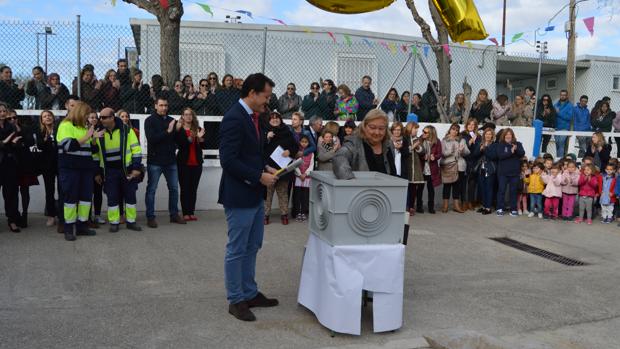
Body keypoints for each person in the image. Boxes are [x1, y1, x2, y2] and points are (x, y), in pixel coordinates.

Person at [218, 73, 279, 322]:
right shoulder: (234, 118)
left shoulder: (254, 117)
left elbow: (251, 153)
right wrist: (257, 176)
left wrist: (265, 168)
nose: (268, 102)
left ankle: (250, 293)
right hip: (240, 194)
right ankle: (236, 299)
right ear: (252, 93)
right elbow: (228, 160)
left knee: (252, 246)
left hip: (254, 193)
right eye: (265, 96)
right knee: (237, 249)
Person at [56, 101, 103, 241]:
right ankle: (68, 228)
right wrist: (88, 136)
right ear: (80, 113)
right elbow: (68, 146)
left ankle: (82, 226)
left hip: (86, 169)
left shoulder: (85, 128)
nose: (88, 117)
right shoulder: (65, 126)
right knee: (70, 199)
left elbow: (92, 150)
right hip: (70, 169)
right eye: (87, 114)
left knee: (86, 199)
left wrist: (93, 139)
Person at [96, 107, 143, 233]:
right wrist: (97, 173)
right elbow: (95, 154)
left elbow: (136, 150)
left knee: (130, 196)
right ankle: (114, 222)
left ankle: (131, 222)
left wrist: (136, 168)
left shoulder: (127, 130)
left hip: (126, 170)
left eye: (104, 117)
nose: (101, 120)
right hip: (109, 172)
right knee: (112, 197)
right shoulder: (99, 132)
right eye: (100, 117)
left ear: (112, 118)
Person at [144, 97, 186, 228]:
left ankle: (174, 215)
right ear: (156, 106)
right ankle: (150, 217)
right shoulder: (149, 120)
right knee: (151, 190)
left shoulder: (171, 120)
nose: (164, 108)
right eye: (161, 105)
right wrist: (168, 131)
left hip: (170, 161)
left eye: (166, 105)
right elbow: (152, 139)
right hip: (155, 161)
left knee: (174, 189)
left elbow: (177, 141)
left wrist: (178, 129)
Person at [332, 109, 396, 179]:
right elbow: (339, 158)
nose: (377, 132)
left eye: (381, 128)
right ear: (364, 126)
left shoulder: (389, 144)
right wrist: (350, 181)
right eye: (372, 127)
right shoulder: (353, 143)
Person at [262, 111, 298, 225]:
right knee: (267, 194)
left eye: (277, 118)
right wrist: (266, 137)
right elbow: (259, 150)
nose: (275, 120)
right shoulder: (264, 132)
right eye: (272, 118)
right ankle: (265, 216)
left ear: (280, 120)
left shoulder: (287, 131)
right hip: (269, 169)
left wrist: (289, 151)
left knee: (283, 194)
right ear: (268, 120)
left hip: (283, 170)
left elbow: (295, 146)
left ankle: (284, 215)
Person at [175, 107, 206, 222]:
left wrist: (201, 139)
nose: (188, 116)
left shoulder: (198, 129)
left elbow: (204, 145)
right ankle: (185, 213)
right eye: (186, 114)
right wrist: (193, 137)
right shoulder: (179, 130)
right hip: (184, 163)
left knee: (193, 188)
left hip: (196, 163)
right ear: (182, 116)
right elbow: (181, 144)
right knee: (185, 188)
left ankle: (191, 212)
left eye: (190, 114)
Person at [0, 103, 21, 232]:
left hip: (10, 163)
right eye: (0, 111)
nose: (2, 113)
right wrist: (5, 142)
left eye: (4, 111)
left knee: (11, 194)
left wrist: (11, 144)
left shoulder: (11, 126)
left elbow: (17, 143)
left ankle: (12, 221)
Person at [495, 128, 525, 216]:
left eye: (510, 134)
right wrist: (510, 152)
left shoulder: (518, 144)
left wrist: (516, 149)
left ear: (512, 136)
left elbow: (522, 153)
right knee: (501, 191)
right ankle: (500, 208)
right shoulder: (500, 145)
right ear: (504, 136)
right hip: (503, 173)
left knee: (513, 191)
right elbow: (500, 156)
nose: (508, 136)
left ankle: (513, 209)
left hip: (515, 173)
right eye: (506, 134)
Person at [440, 123, 469, 213]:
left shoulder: (461, 140)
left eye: (456, 130)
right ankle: (445, 205)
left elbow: (467, 152)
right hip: (448, 165)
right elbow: (443, 153)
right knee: (447, 185)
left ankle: (456, 206)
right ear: (450, 130)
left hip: (459, 165)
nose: (454, 131)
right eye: (453, 129)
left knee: (457, 186)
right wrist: (450, 151)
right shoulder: (444, 140)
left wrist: (463, 149)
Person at [38, 110, 58, 227]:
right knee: (49, 191)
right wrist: (45, 140)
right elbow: (40, 146)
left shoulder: (59, 129)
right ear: (42, 120)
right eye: (45, 116)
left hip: (60, 164)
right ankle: (51, 216)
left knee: (62, 189)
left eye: (49, 115)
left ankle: (62, 215)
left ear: (53, 117)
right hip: (47, 166)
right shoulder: (41, 132)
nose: (47, 118)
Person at [415, 125, 442, 213]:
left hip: (432, 168)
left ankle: (431, 207)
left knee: (431, 189)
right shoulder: (419, 140)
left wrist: (435, 157)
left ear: (431, 133)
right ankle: (419, 207)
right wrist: (423, 157)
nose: (423, 133)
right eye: (423, 131)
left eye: (425, 132)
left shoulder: (437, 141)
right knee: (420, 188)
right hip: (422, 167)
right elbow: (417, 153)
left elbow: (439, 153)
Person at [405, 122, 425, 215]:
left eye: (417, 129)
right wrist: (412, 147)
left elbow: (422, 151)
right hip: (407, 166)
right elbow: (405, 150)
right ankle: (406, 206)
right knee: (407, 188)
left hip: (415, 167)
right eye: (415, 128)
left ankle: (412, 207)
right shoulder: (405, 138)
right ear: (410, 128)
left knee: (413, 188)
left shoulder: (417, 139)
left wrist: (418, 147)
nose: (416, 130)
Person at [293, 135, 313, 222]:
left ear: (308, 143)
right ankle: (297, 212)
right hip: (298, 177)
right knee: (297, 195)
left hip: (307, 177)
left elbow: (311, 165)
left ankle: (304, 212)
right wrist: (300, 174)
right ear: (299, 142)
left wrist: (305, 174)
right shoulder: (297, 152)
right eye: (302, 142)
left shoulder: (311, 153)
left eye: (306, 142)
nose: (304, 143)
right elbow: (294, 164)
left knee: (305, 195)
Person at [461, 118, 480, 211]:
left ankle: (470, 202)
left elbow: (478, 150)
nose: (471, 126)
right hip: (465, 162)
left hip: (474, 162)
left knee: (472, 184)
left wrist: (477, 144)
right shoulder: (463, 135)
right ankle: (463, 202)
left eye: (473, 125)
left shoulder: (478, 136)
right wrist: (469, 143)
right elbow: (462, 149)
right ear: (466, 125)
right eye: (469, 124)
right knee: (463, 183)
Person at [554, 90, 573, 158]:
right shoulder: (555, 105)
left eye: (564, 95)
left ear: (567, 96)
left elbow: (569, 117)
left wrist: (559, 113)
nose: (563, 96)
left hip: (564, 127)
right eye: (561, 95)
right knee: (557, 144)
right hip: (556, 127)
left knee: (561, 143)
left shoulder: (570, 105)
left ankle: (560, 159)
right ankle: (558, 158)